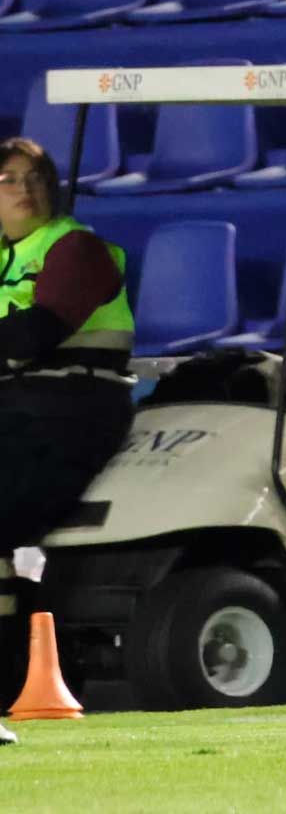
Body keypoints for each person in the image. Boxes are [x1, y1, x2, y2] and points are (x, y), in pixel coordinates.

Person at [0, 136, 137, 568]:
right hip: (15, 408)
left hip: (71, 411)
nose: (25, 189)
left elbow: (33, 337)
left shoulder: (76, 248)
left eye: (36, 178)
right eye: (9, 179)